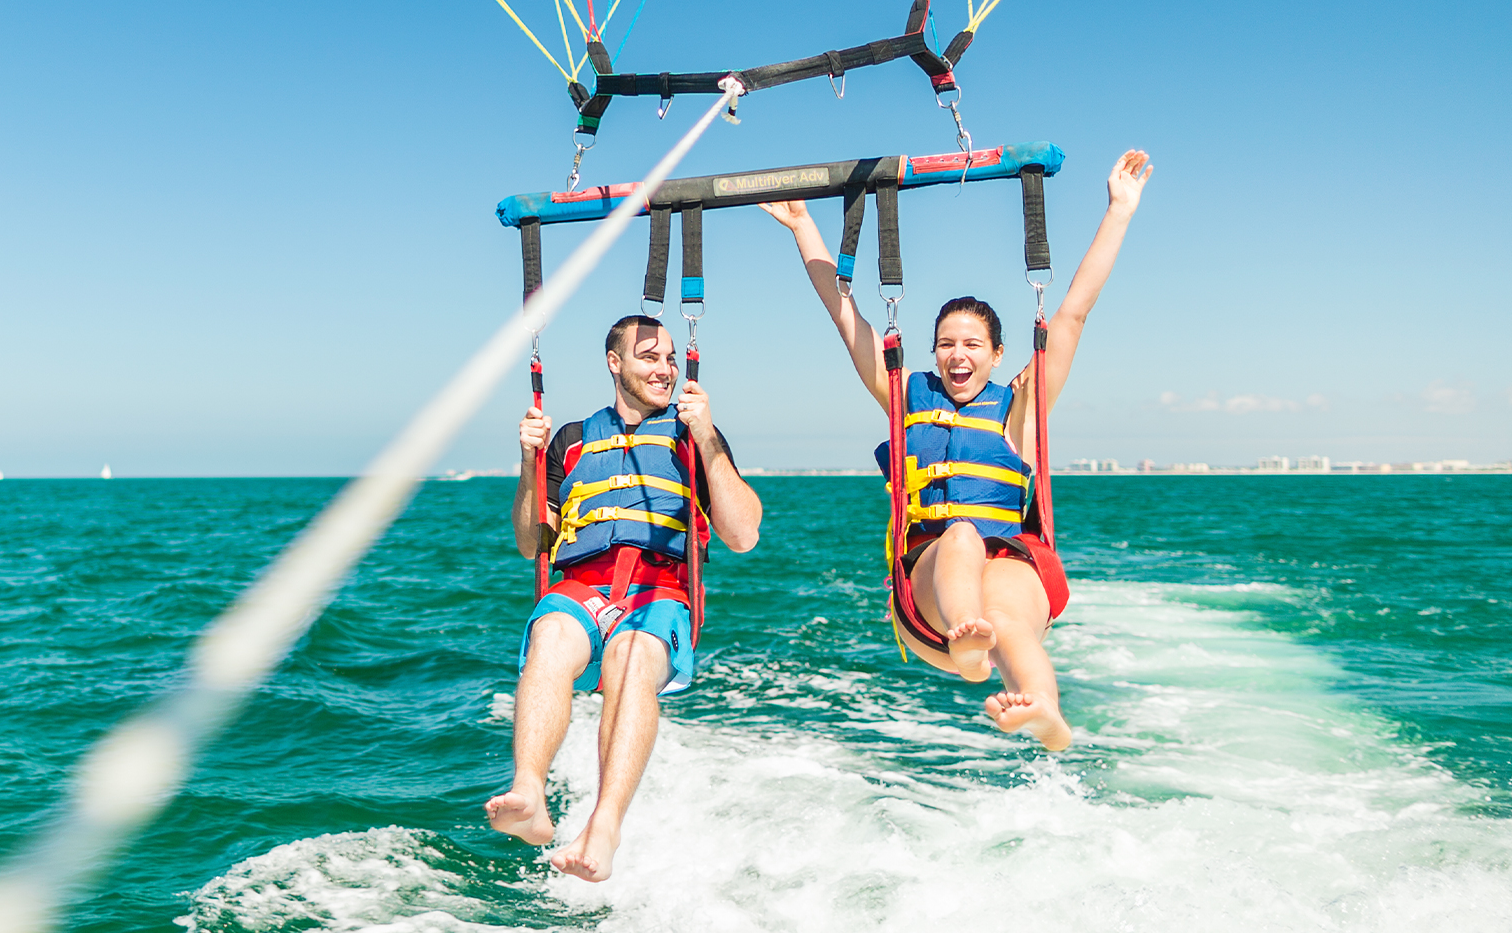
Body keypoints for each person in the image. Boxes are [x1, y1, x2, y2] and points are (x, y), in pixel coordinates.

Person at [762, 149, 1152, 752]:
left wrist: (1119, 212)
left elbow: (1071, 316)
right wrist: (803, 227)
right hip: (926, 597)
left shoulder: (1019, 408)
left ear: (997, 355)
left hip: (1011, 570)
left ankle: (1043, 708)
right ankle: (970, 643)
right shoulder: (905, 393)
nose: (957, 355)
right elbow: (846, 315)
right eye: (946, 343)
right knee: (963, 539)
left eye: (972, 344)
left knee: (1015, 623)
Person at [485, 314, 763, 881]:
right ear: (615, 364)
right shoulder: (571, 439)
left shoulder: (691, 434)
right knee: (550, 634)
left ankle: (604, 827)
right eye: (649, 358)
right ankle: (529, 793)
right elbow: (529, 542)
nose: (664, 370)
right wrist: (527, 462)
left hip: (659, 590)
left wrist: (707, 434)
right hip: (582, 586)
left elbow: (743, 534)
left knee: (630, 657)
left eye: (669, 360)